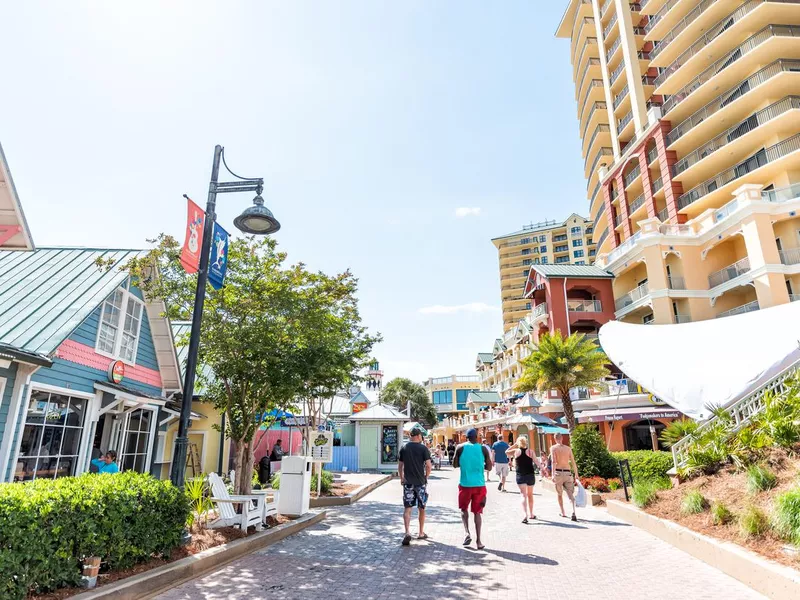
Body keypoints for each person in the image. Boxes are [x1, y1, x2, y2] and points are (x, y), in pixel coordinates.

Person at [453, 428, 492, 550]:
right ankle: (479, 541)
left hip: (465, 484)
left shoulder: (460, 447)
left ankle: (467, 532)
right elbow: (489, 467)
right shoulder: (483, 448)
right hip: (479, 485)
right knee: (477, 512)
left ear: (466, 437)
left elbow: (454, 464)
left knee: (464, 509)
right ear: (477, 437)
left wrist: (463, 462)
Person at [398, 424, 432, 546]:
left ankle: (407, 532)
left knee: (407, 508)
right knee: (421, 507)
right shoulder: (423, 449)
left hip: (408, 483)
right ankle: (421, 532)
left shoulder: (404, 447)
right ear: (418, 436)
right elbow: (428, 466)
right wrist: (426, 477)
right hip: (420, 483)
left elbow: (400, 466)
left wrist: (402, 478)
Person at [550, 433, 580, 521]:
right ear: (562, 438)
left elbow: (553, 462)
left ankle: (563, 512)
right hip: (568, 473)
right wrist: (576, 474)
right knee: (570, 494)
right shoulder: (568, 449)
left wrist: (552, 474)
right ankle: (573, 512)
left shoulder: (553, 448)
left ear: (555, 439)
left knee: (559, 494)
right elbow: (573, 462)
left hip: (558, 473)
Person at [508, 436, 537, 523]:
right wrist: (543, 469)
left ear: (518, 443)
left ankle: (525, 515)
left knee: (523, 495)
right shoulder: (530, 451)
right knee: (530, 495)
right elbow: (536, 461)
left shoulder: (516, 451)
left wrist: (514, 445)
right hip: (530, 475)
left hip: (521, 475)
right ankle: (531, 514)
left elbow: (506, 452)